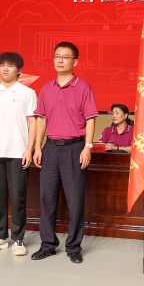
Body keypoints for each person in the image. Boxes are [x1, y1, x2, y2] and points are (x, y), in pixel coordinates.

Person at [31, 42, 98, 264]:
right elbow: (41, 119)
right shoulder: (46, 88)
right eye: (57, 56)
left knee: (75, 200)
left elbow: (90, 119)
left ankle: (73, 246)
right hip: (50, 148)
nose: (60, 60)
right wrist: (37, 147)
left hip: (75, 148)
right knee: (47, 199)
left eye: (65, 57)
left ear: (75, 62)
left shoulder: (84, 87)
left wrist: (88, 147)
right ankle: (47, 245)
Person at [0, 52, 37, 256]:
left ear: (19, 70)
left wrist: (29, 149)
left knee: (18, 197)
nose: (5, 69)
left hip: (18, 152)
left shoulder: (28, 93)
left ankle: (18, 239)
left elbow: (33, 123)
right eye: (2, 65)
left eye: (10, 66)